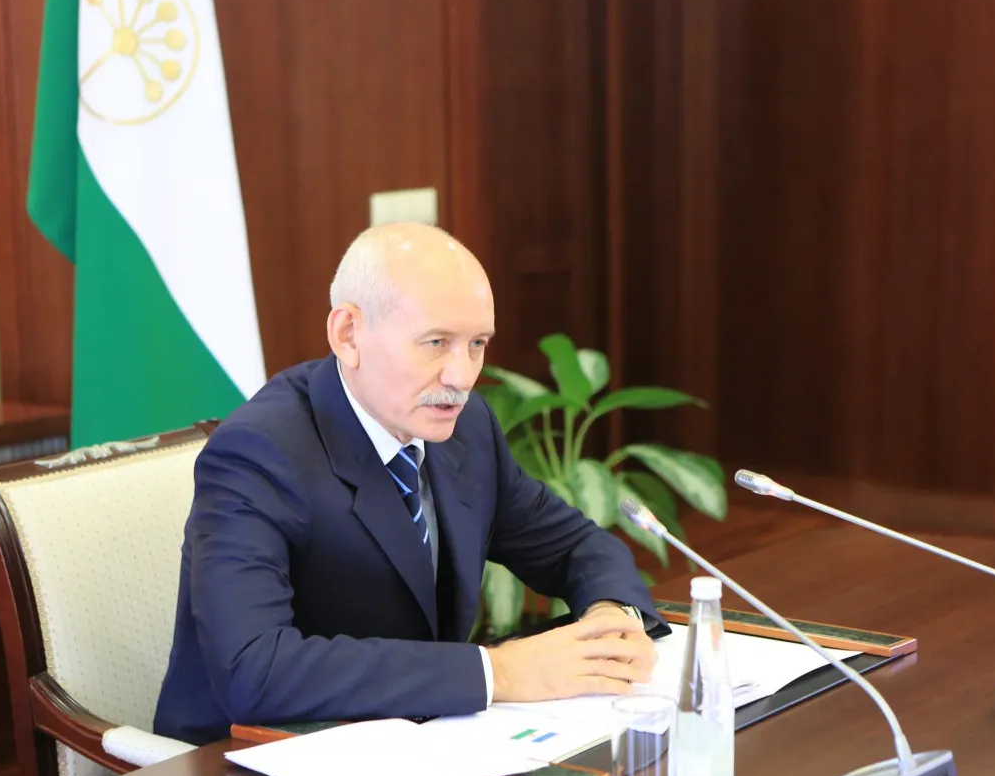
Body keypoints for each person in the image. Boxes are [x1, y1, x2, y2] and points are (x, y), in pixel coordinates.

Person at [154, 222, 664, 745]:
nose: (461, 377)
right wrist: (499, 672)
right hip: (251, 761)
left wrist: (612, 619)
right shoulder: (259, 452)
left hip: (412, 742)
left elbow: (573, 546)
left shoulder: (466, 427)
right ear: (348, 335)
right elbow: (254, 669)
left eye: (477, 344)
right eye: (436, 343)